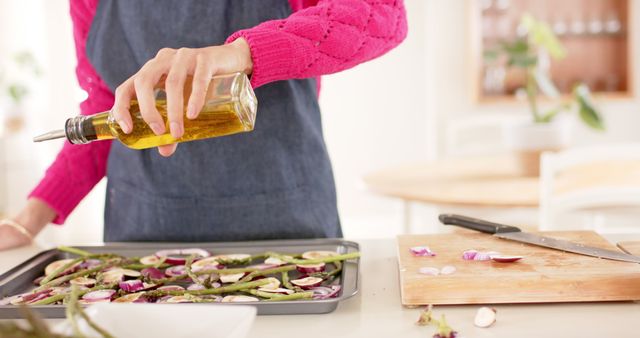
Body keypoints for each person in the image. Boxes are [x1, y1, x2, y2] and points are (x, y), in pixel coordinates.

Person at [0, 0, 407, 250]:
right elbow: (108, 109)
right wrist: (28, 218)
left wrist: (244, 53)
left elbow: (383, 13)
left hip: (288, 228)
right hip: (141, 240)